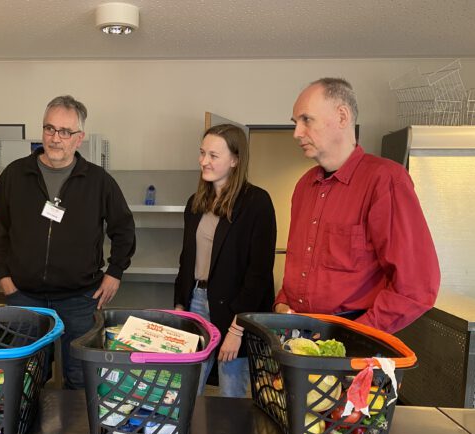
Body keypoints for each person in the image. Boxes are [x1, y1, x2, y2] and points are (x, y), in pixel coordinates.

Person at [0, 95, 136, 390]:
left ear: (79, 138)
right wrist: (4, 280)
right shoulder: (15, 175)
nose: (56, 138)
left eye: (65, 132)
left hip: (80, 298)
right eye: (49, 129)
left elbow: (124, 230)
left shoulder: (98, 181)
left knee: (82, 378)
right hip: (24, 296)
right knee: (28, 378)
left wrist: (115, 273)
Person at [275, 78, 440, 333]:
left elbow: (416, 287)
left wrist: (354, 336)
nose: (297, 133)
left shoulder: (385, 180)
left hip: (353, 347)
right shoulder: (304, 187)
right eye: (295, 123)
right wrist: (282, 304)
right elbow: (299, 265)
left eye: (306, 120)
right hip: (300, 340)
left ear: (342, 116)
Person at [174, 124, 277, 397]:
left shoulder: (257, 203)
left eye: (213, 155)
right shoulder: (195, 203)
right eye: (202, 153)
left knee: (232, 391)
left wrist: (237, 328)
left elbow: (259, 274)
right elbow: (186, 259)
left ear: (235, 160)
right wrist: (180, 304)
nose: (203, 161)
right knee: (186, 389)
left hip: (235, 310)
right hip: (197, 301)